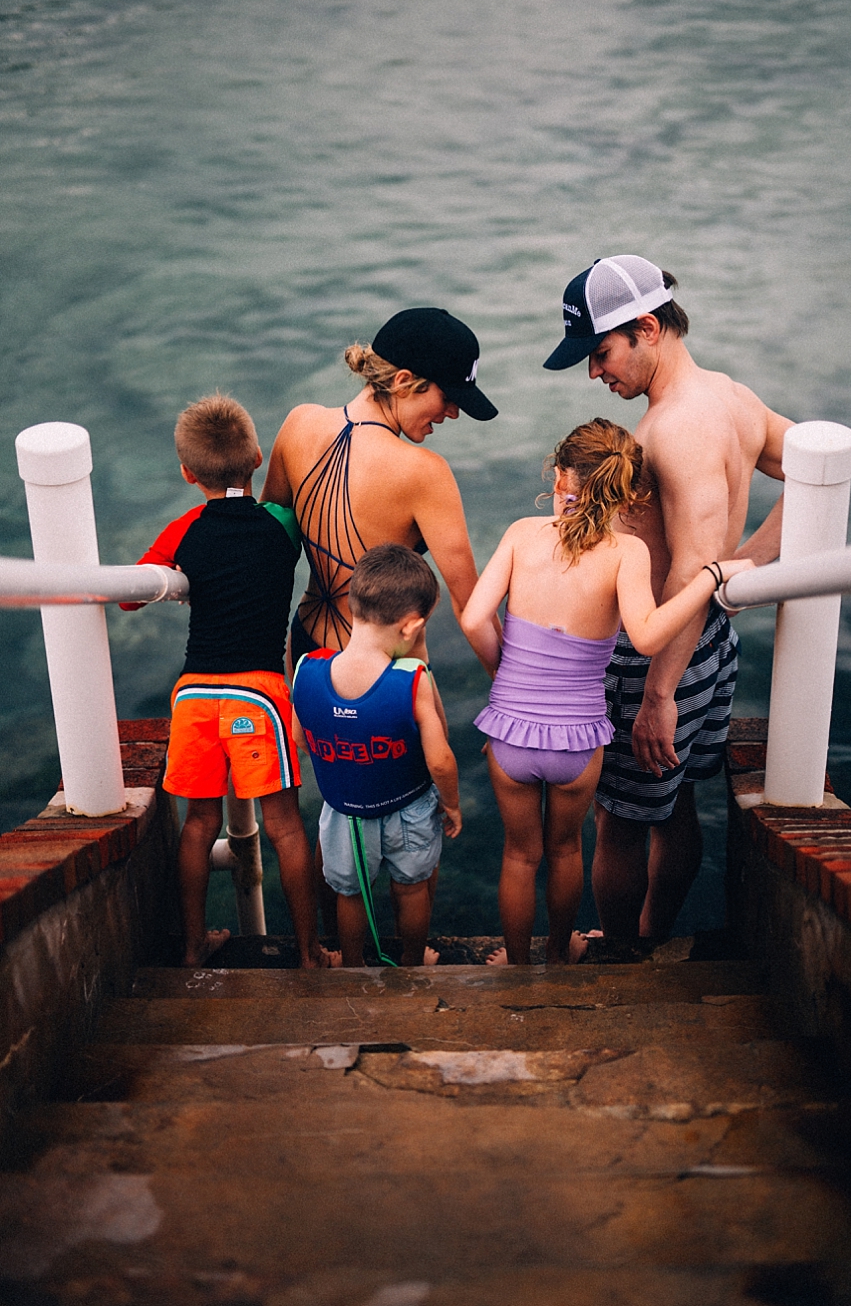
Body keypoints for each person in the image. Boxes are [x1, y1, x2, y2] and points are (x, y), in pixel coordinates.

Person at [543, 254, 791, 940]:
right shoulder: (734, 398)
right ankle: (650, 938)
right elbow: (819, 465)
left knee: (618, 823)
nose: (595, 373)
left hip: (655, 658)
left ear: (647, 327)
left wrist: (657, 695)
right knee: (675, 804)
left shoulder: (674, 429)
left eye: (600, 354)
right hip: (711, 642)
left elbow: (688, 570)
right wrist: (751, 560)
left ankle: (622, 957)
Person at [459, 420, 751, 967]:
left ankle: (517, 967)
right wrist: (708, 579)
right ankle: (558, 954)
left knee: (520, 857)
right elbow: (646, 635)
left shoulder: (522, 533)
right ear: (626, 492)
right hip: (577, 742)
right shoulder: (626, 552)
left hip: (510, 736)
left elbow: (476, 618)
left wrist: (508, 698)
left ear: (561, 473)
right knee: (567, 849)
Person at [122, 395, 334, 969]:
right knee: (285, 828)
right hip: (258, 696)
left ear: (188, 474)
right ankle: (311, 954)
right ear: (259, 457)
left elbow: (127, 595)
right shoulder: (280, 525)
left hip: (194, 696)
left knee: (199, 825)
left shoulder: (184, 528)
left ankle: (193, 949)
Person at [262, 308, 495, 664]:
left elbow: (266, 540)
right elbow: (471, 606)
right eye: (448, 397)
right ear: (402, 381)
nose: (453, 412)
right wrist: (519, 696)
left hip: (307, 650)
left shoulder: (298, 423)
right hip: (379, 670)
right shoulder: (425, 471)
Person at [292, 546, 462, 967]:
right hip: (407, 808)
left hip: (345, 814)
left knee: (350, 894)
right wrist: (453, 804)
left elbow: (300, 738)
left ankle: (352, 964)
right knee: (411, 889)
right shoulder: (411, 679)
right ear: (412, 627)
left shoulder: (307, 669)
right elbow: (440, 759)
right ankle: (409, 960)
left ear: (352, 606)